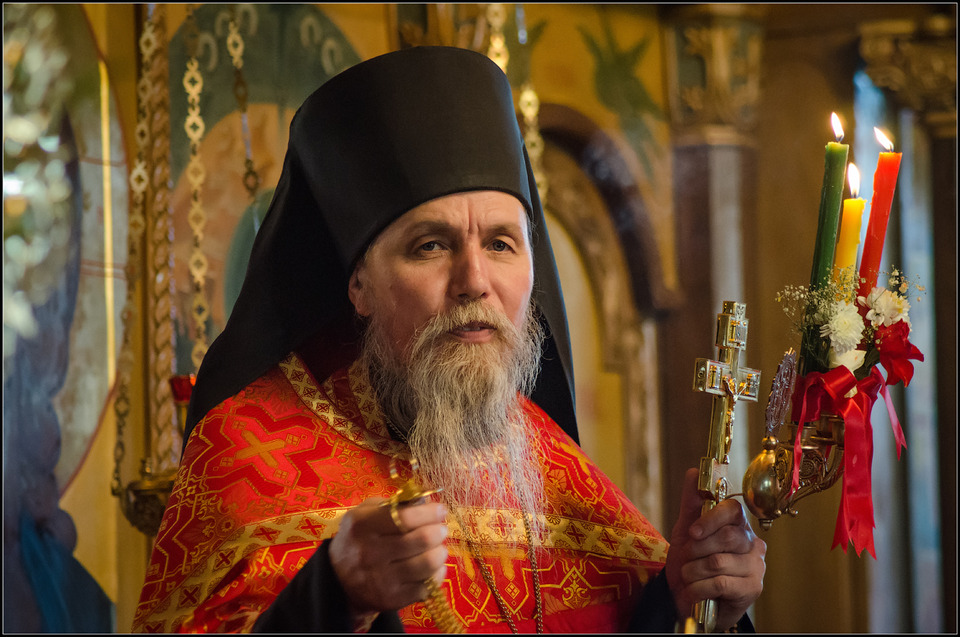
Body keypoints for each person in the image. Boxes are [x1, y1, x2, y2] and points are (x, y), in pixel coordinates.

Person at [132, 46, 765, 634]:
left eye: (500, 244)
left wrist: (686, 600)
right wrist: (334, 594)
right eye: (430, 245)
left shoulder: (543, 459)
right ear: (358, 284)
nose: (474, 282)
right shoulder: (247, 450)